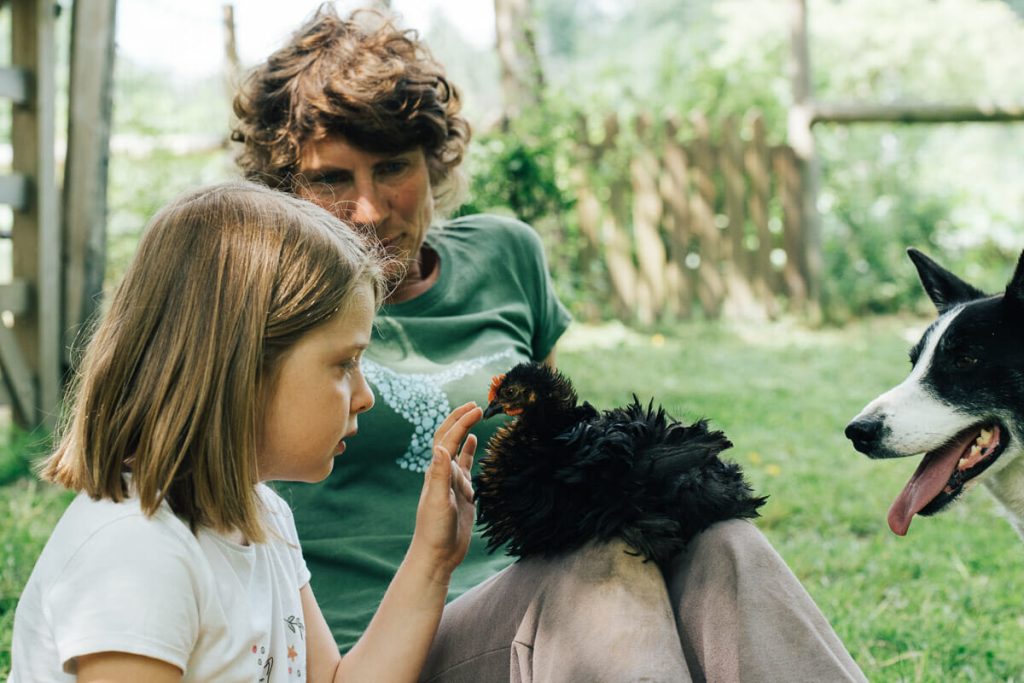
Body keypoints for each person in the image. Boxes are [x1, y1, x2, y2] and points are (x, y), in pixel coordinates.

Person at [232, 6, 868, 681]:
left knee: (721, 540)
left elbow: (557, 439)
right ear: (284, 188)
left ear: (435, 161)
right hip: (381, 650)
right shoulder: (261, 297)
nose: (368, 208)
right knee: (598, 574)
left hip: (540, 607)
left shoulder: (506, 255)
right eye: (332, 178)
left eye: (393, 166)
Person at [9, 181, 484, 683]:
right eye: (344, 363)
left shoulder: (263, 516)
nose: (365, 395)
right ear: (244, 368)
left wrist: (433, 557)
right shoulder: (138, 552)